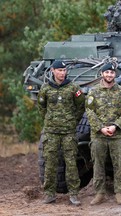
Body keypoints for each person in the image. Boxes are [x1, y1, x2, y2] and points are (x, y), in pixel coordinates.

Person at [37, 60, 85, 206]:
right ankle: (49, 194)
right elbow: (41, 107)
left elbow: (80, 107)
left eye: (64, 71)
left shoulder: (73, 88)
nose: (62, 73)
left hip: (68, 132)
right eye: (59, 71)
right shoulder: (45, 89)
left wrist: (72, 122)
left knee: (71, 163)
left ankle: (74, 195)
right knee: (50, 163)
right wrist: (50, 121)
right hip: (51, 132)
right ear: (53, 71)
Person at [86, 62, 121, 205]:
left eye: (112, 73)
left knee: (120, 164)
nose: (109, 75)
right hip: (99, 134)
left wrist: (115, 126)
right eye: (107, 72)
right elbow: (89, 111)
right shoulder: (93, 92)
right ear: (102, 74)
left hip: (117, 134)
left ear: (115, 74)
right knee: (98, 164)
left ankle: (119, 193)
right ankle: (100, 193)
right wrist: (100, 128)